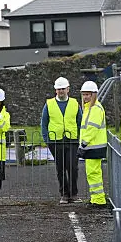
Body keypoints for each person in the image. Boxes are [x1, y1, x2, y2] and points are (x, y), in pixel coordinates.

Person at [41, 76, 82, 204]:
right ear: (55, 90)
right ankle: (64, 194)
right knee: (60, 168)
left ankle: (74, 194)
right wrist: (47, 140)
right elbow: (44, 123)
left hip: (72, 140)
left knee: (73, 167)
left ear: (68, 89)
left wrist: (80, 138)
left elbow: (80, 121)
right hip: (55, 141)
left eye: (63, 89)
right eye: (58, 89)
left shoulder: (75, 103)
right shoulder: (49, 104)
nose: (61, 91)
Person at [77, 81, 108, 209]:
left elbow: (91, 129)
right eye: (84, 94)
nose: (85, 97)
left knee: (94, 174)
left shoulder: (95, 109)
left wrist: (83, 144)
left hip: (93, 146)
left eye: (88, 94)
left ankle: (99, 201)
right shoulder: (89, 108)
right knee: (92, 173)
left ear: (94, 94)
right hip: (92, 146)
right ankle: (95, 198)